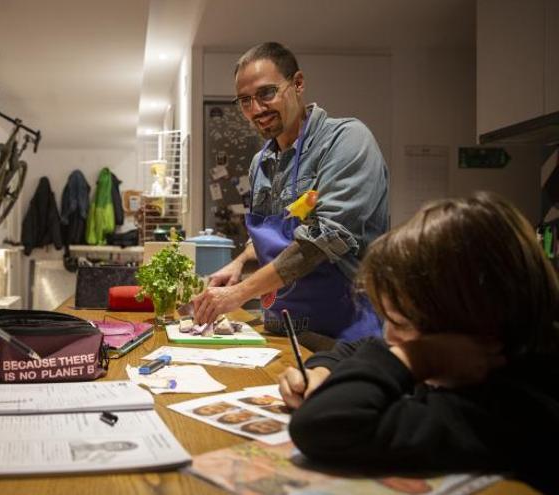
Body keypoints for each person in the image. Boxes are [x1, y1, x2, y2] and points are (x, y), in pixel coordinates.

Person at [278, 192, 559, 492]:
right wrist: (322, 369)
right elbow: (361, 348)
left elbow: (322, 426)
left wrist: (418, 358)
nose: (390, 338)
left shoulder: (511, 410)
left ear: (471, 325)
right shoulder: (477, 352)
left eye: (399, 324)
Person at [192, 42, 389, 343]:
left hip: (344, 336)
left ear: (297, 84)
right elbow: (278, 232)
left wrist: (240, 293)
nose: (256, 110)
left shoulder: (346, 141)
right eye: (245, 101)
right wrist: (241, 262)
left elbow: (323, 240)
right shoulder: (261, 163)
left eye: (266, 93)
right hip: (282, 332)